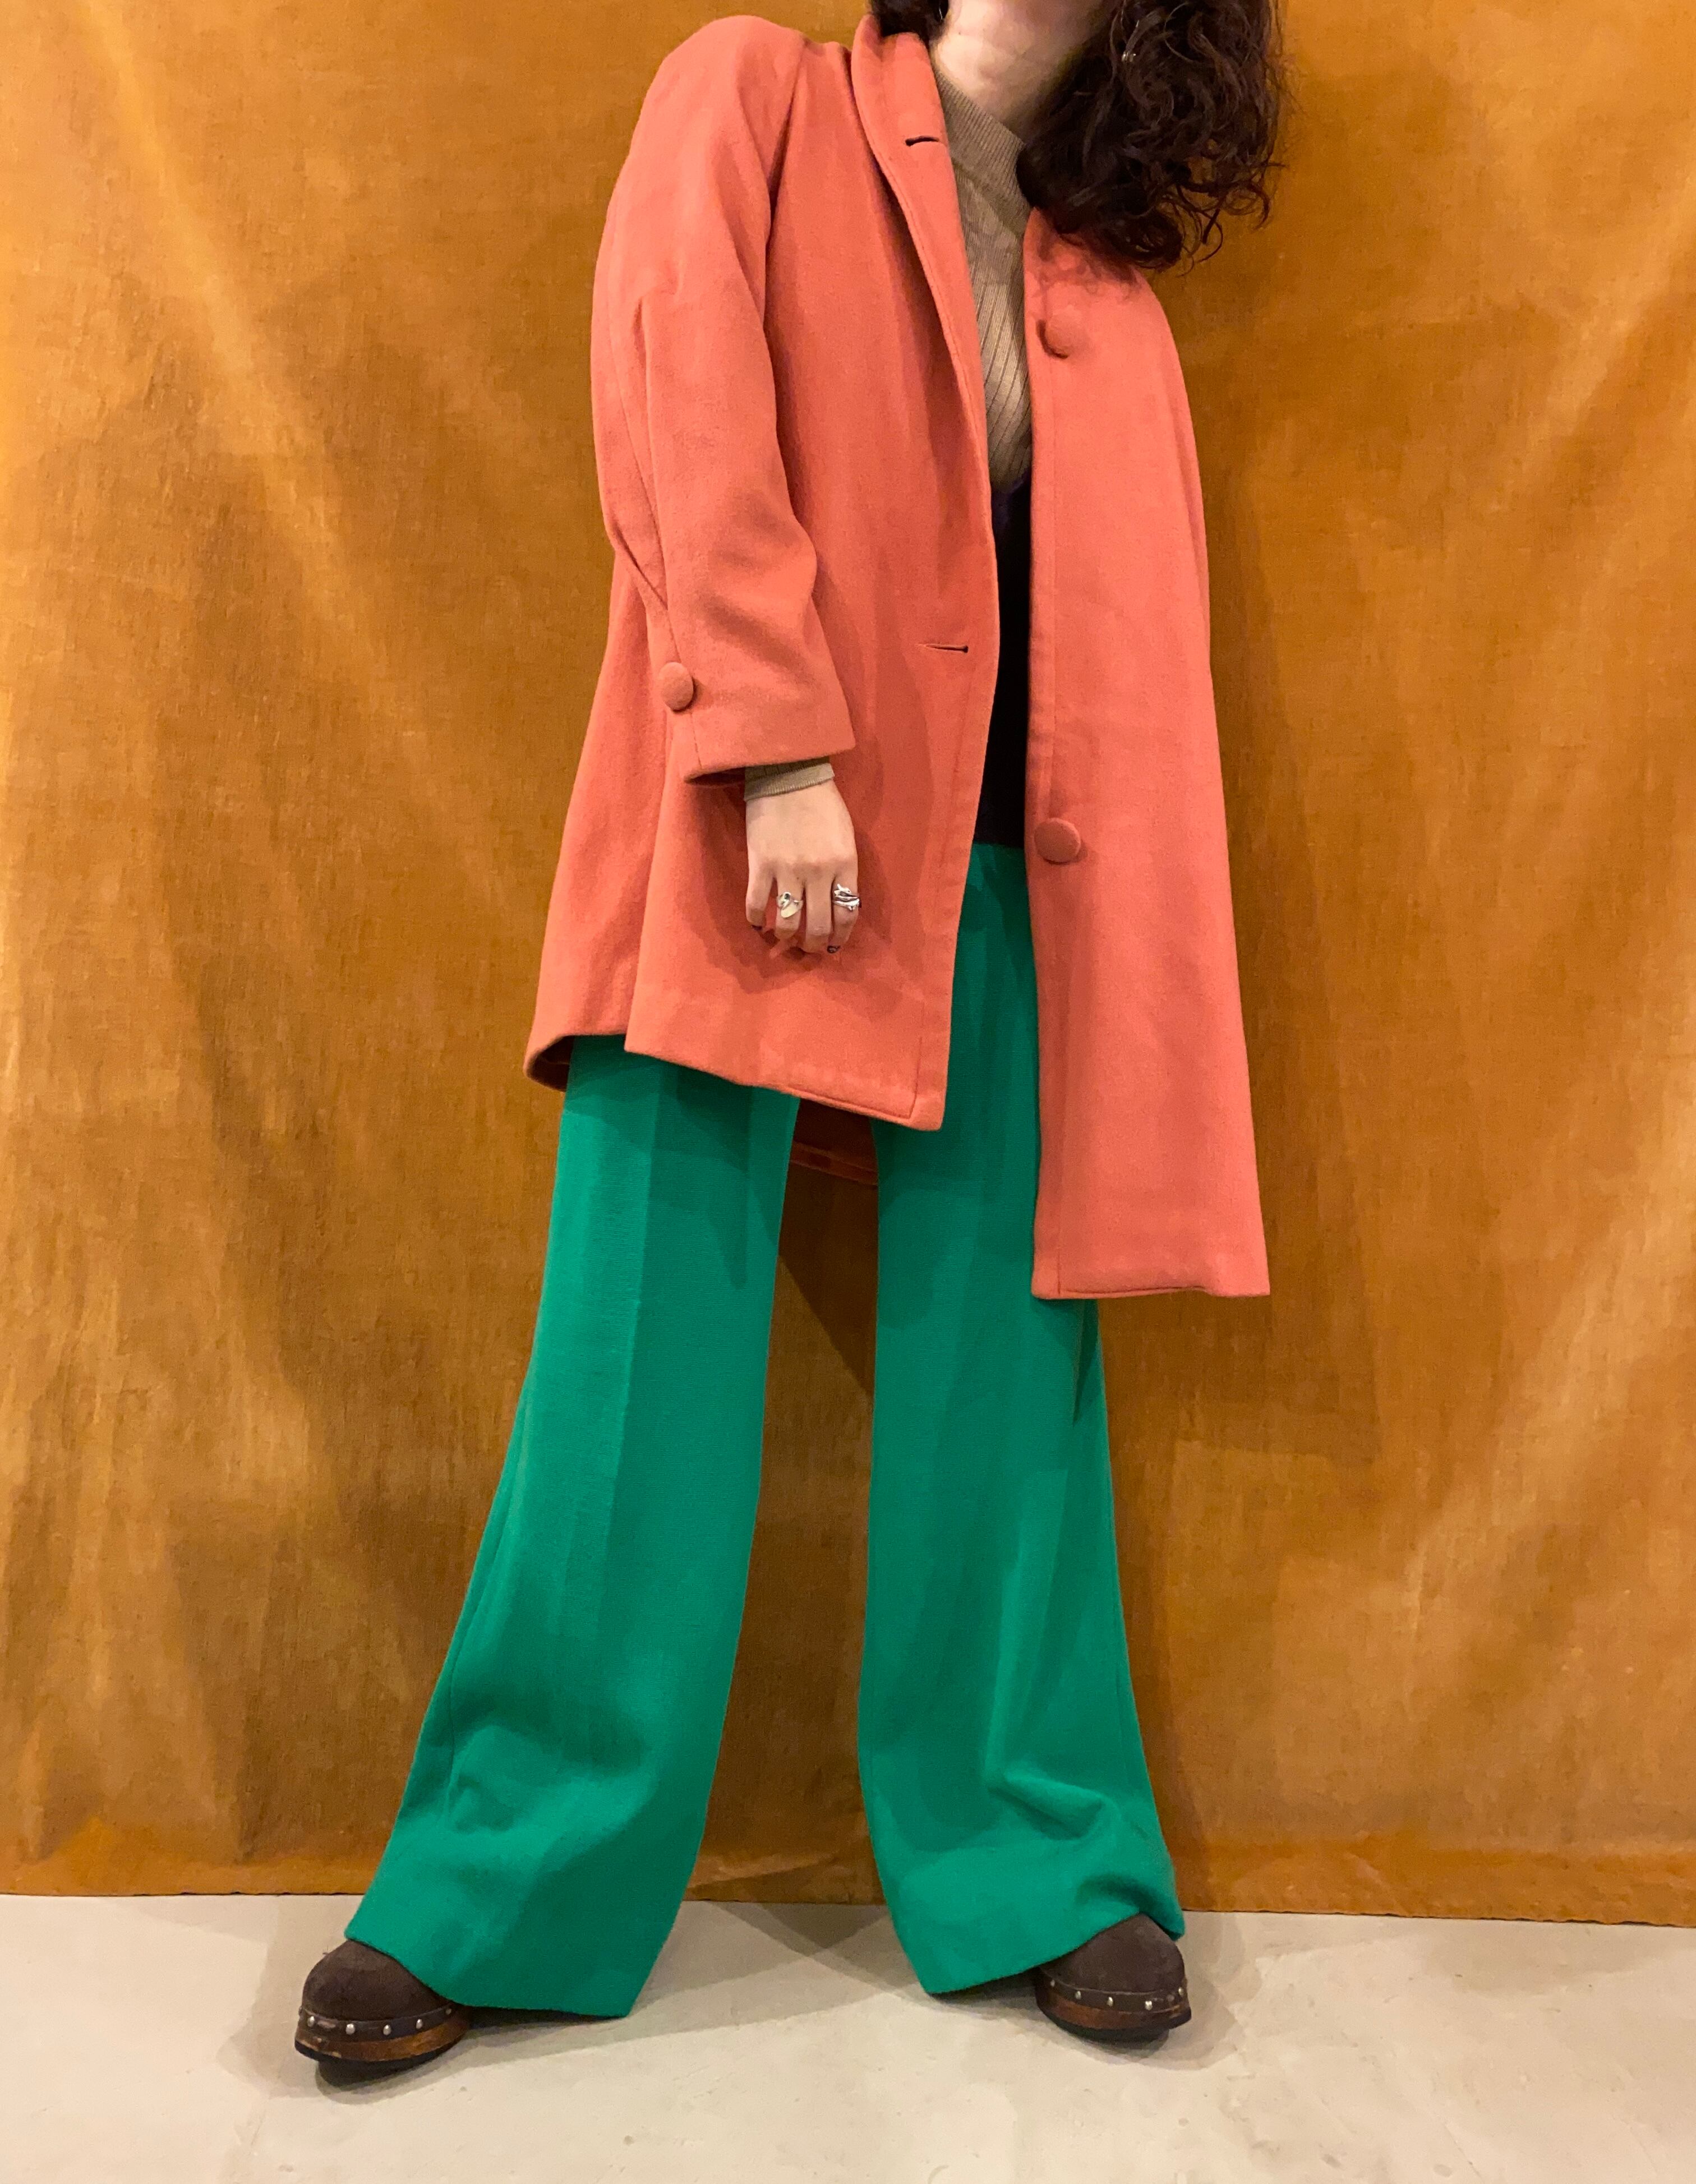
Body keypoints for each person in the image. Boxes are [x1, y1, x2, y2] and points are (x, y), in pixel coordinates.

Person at [296, 0, 1281, 2072]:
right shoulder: (752, 92)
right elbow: (680, 403)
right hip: (754, 826)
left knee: (1009, 1374)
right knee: (635, 1347)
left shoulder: (1103, 277)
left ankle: (1042, 1856)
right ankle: (501, 1880)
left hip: (1015, 885)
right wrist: (774, 749)